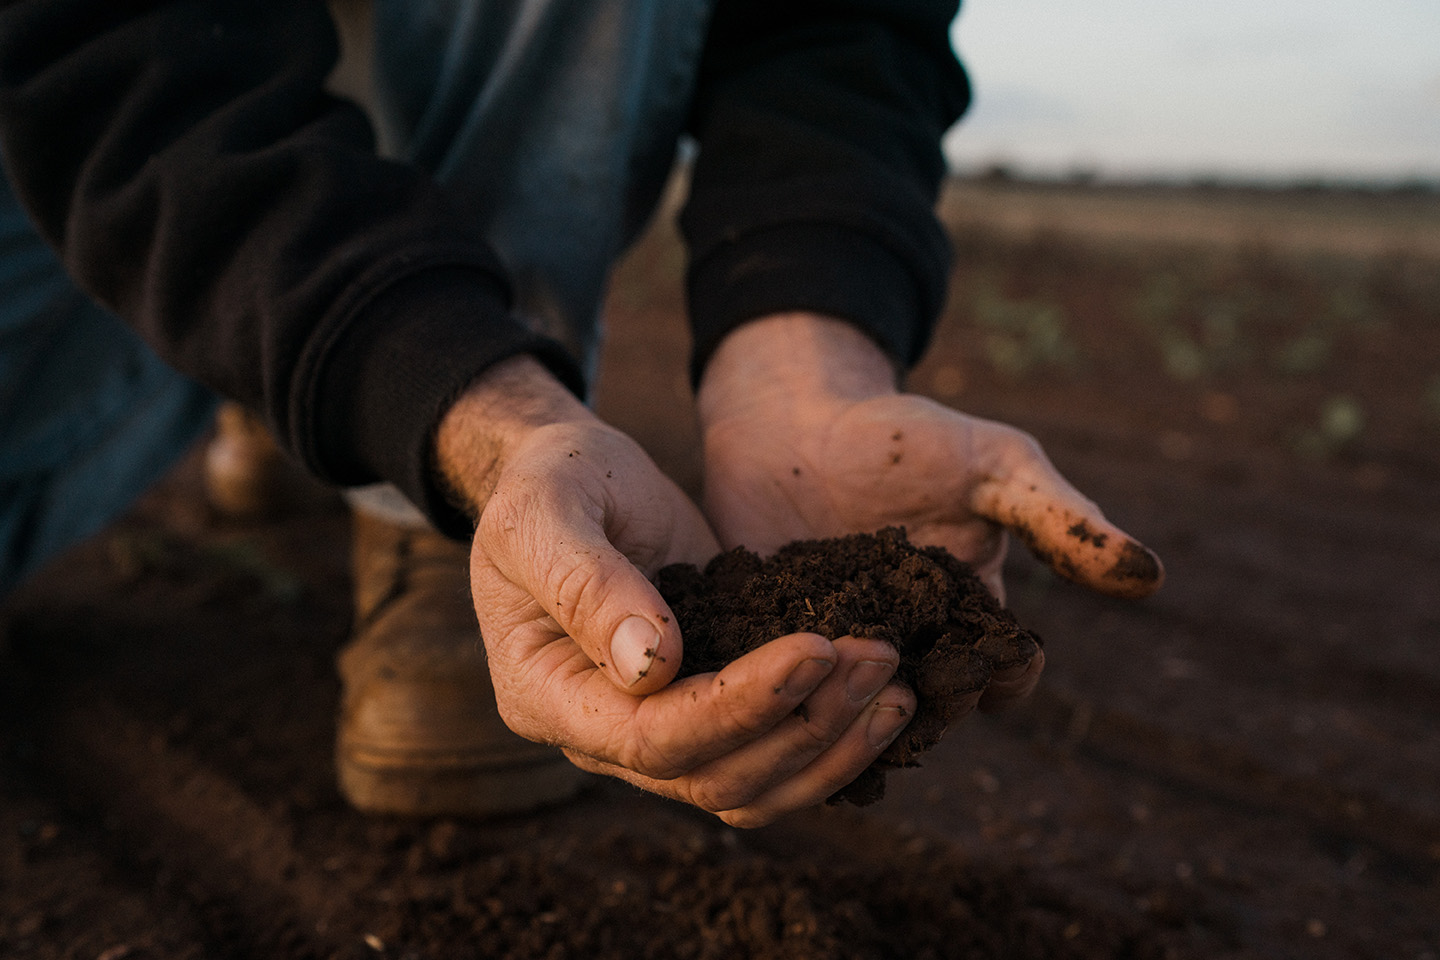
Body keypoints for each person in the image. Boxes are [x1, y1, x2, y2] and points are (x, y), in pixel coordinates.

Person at [0, 0, 1162, 828]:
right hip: (101, 129)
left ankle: (426, 498)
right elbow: (100, 56)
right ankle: (291, 374)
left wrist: (804, 373)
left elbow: (841, 25)